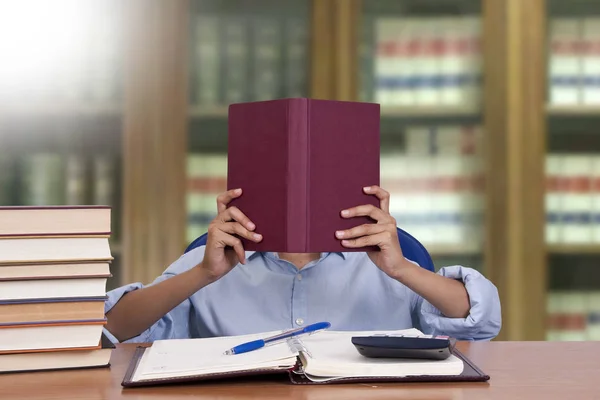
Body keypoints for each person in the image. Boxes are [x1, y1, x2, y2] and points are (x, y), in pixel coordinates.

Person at [104, 186, 501, 343]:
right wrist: (202, 274)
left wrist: (403, 270)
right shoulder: (211, 260)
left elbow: (480, 323)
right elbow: (113, 329)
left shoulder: (387, 264)